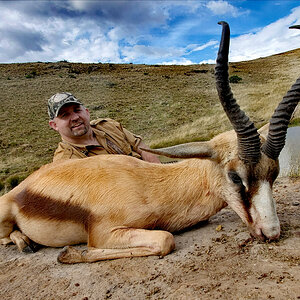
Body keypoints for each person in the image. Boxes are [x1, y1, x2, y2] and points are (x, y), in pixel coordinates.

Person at [48, 92, 160, 163]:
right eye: (65, 115)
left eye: (77, 110)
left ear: (87, 112)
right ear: (54, 125)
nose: (75, 117)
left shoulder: (108, 126)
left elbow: (141, 147)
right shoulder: (66, 162)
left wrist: (159, 176)